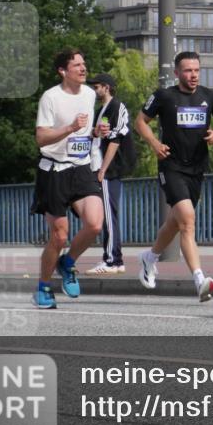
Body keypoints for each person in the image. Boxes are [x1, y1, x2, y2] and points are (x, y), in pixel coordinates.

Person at [135, 51, 213, 302]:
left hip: (197, 168)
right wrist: (154, 143)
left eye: (197, 70)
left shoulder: (210, 95)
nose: (193, 75)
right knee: (188, 221)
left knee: (176, 222)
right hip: (171, 166)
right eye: (188, 70)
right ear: (177, 73)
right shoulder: (164, 96)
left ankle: (150, 257)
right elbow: (141, 121)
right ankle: (200, 280)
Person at [31, 49, 105, 309]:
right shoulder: (50, 98)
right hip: (54, 171)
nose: (83, 69)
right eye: (77, 65)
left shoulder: (89, 94)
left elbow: (84, 132)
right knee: (59, 236)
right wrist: (70, 129)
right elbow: (41, 138)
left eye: (84, 64)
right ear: (63, 71)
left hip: (82, 167)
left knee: (95, 225)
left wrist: (96, 132)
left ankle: (68, 263)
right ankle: (43, 287)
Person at [85, 73, 137, 275]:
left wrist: (103, 169)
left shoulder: (117, 107)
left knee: (108, 215)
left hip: (109, 169)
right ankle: (116, 260)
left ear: (106, 87)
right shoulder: (102, 110)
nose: (94, 90)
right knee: (108, 214)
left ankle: (110, 260)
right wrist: (94, 131)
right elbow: (99, 136)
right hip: (103, 167)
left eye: (97, 86)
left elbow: (115, 141)